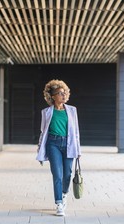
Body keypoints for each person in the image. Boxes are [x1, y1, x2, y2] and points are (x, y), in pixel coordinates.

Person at [36, 79, 81, 216]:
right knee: (57, 174)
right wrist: (40, 149)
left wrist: (78, 149)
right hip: (53, 144)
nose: (63, 95)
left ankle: (64, 193)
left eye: (64, 93)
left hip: (69, 144)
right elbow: (43, 131)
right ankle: (59, 203)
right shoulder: (46, 112)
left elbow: (76, 132)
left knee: (67, 174)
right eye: (59, 93)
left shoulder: (72, 110)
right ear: (52, 96)